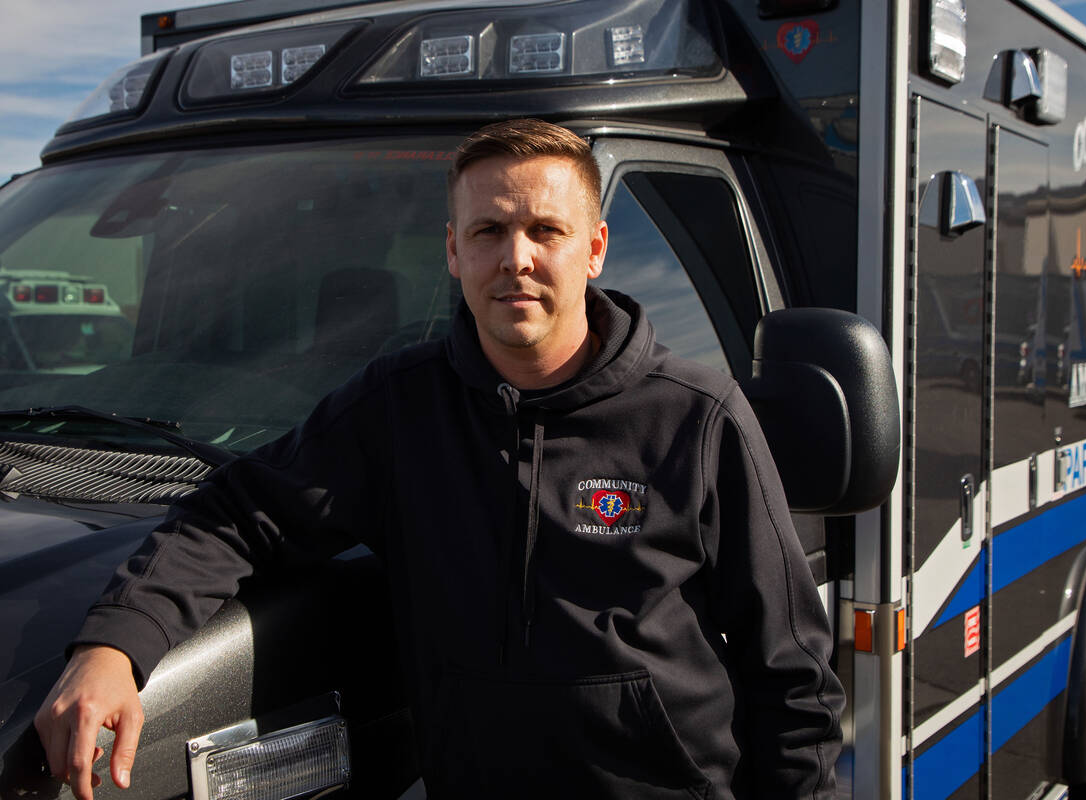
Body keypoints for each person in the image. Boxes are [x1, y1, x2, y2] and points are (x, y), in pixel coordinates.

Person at [35, 119, 843, 799]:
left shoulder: (696, 417)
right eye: (488, 231)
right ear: (453, 252)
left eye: (545, 231)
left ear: (594, 249)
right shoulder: (397, 408)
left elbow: (793, 678)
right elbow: (237, 513)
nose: (515, 257)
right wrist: (113, 647)